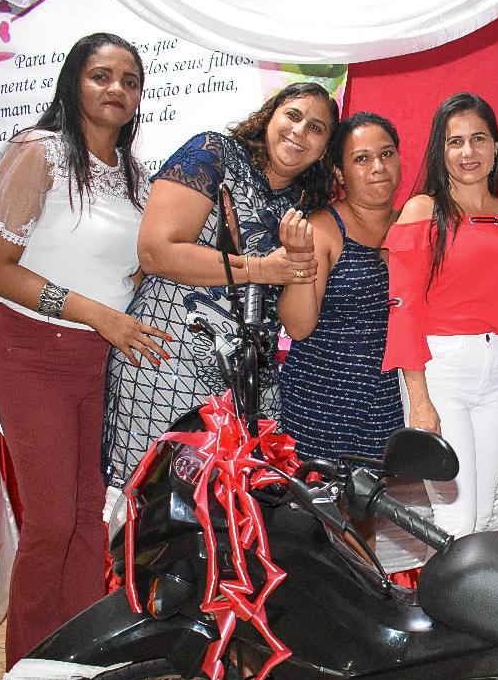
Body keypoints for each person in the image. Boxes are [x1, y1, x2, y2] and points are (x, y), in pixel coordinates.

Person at [0, 32, 168, 679]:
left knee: (92, 519)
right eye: (101, 75)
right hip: (33, 354)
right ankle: (28, 674)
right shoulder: (41, 153)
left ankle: (84, 665)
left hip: (101, 362)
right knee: (52, 518)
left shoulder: (139, 177)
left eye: (130, 80)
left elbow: (134, 269)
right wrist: (96, 312)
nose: (117, 89)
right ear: (73, 82)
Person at [103, 82, 336, 489]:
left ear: (325, 148)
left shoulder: (301, 206)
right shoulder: (213, 154)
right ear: (270, 116)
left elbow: (297, 327)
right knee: (158, 513)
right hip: (167, 365)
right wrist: (262, 268)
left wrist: (299, 261)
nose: (300, 131)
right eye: (293, 115)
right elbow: (157, 251)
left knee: (236, 519)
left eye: (317, 128)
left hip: (247, 388)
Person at [382, 93, 498, 538]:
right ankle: (440, 608)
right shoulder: (423, 210)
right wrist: (419, 400)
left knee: (482, 518)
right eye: (455, 142)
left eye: (478, 139)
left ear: (496, 146)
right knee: (456, 519)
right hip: (440, 371)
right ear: (439, 151)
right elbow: (403, 310)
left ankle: (461, 608)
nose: (468, 153)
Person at [278, 112, 405, 465]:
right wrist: (301, 257)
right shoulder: (323, 228)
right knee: (320, 516)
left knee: (387, 515)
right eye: (361, 158)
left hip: (390, 409)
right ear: (339, 173)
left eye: (387, 153)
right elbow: (299, 327)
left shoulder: (415, 224)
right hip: (321, 411)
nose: (378, 166)